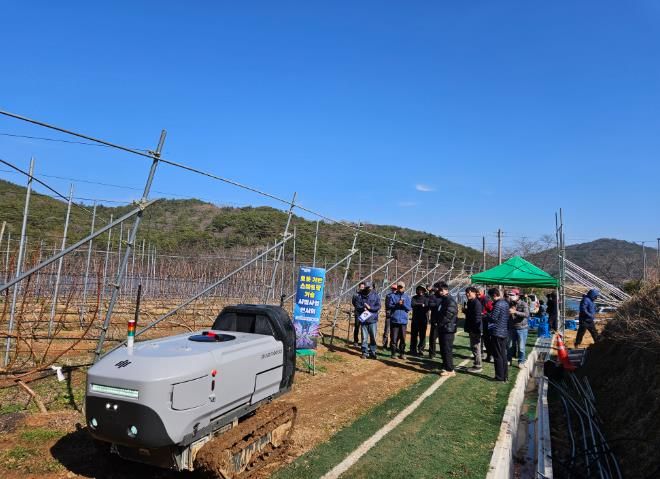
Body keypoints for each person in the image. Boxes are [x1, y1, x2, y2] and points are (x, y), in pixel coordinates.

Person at [428, 281, 458, 377]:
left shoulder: (450, 300)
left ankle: (450, 370)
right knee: (443, 349)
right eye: (439, 290)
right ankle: (446, 366)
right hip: (443, 328)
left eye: (442, 290)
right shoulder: (444, 300)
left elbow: (449, 315)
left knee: (447, 349)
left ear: (446, 290)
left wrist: (439, 323)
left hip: (448, 329)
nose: (440, 292)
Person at [354, 280, 381, 359]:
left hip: (373, 319)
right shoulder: (360, 296)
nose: (368, 289)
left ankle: (373, 352)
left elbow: (378, 306)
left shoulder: (375, 295)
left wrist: (370, 308)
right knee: (364, 337)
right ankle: (364, 352)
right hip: (364, 320)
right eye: (366, 288)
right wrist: (363, 308)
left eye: (369, 288)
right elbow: (357, 306)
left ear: (371, 288)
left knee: (373, 337)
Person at [488, 288, 509, 382]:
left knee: (497, 355)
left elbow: (493, 318)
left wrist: (486, 316)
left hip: (497, 332)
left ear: (494, 295)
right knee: (503, 354)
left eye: (490, 296)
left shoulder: (497, 304)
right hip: (504, 331)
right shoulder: (505, 303)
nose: (490, 299)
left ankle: (499, 376)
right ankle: (505, 375)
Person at [387, 281, 412, 359]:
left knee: (403, 339)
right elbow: (389, 306)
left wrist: (403, 304)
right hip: (394, 320)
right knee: (394, 338)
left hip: (403, 321)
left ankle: (402, 353)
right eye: (399, 287)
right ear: (397, 287)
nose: (400, 288)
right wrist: (397, 304)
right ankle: (393, 353)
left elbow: (409, 308)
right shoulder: (392, 296)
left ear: (404, 288)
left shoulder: (407, 297)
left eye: (401, 287)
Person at [507, 289, 530, 367]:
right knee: (509, 345)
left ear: (517, 295)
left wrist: (515, 312)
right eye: (509, 295)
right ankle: (508, 360)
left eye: (512, 295)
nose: (510, 296)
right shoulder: (509, 303)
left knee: (521, 347)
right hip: (511, 327)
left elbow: (526, 314)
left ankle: (521, 361)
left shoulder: (523, 304)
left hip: (522, 328)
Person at [463, 286, 483, 373]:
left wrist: (476, 329)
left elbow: (477, 317)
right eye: (466, 293)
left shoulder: (476, 303)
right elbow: (471, 314)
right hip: (471, 328)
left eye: (469, 292)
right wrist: (465, 311)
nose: (467, 294)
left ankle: (478, 366)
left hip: (475, 328)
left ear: (474, 293)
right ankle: (476, 364)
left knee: (476, 347)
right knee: (473, 347)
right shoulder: (470, 302)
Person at [409, 285, 429, 356]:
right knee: (414, 335)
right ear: (417, 290)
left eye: (422, 290)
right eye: (419, 289)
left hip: (423, 320)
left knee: (422, 335)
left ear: (424, 291)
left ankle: (421, 349)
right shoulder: (414, 298)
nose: (420, 291)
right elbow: (412, 304)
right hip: (415, 319)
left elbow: (427, 306)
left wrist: (420, 305)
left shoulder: (426, 298)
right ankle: (413, 349)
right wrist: (421, 304)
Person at [478, 287, 494, 362]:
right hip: (480, 322)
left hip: (486, 322)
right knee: (482, 339)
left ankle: (490, 355)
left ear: (483, 292)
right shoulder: (478, 299)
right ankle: (483, 354)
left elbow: (492, 310)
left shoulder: (486, 299)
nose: (477, 293)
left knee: (487, 340)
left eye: (479, 292)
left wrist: (484, 313)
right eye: (476, 292)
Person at [382, 283, 397, 349]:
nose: (394, 290)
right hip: (389, 315)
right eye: (393, 289)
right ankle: (384, 345)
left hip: (395, 316)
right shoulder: (388, 296)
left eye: (395, 289)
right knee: (386, 331)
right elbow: (388, 305)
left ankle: (392, 345)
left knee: (393, 332)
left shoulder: (398, 296)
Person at [351, 282, 365, 347]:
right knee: (357, 327)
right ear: (359, 287)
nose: (362, 288)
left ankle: (363, 342)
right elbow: (353, 302)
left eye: (363, 287)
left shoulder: (366, 295)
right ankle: (355, 341)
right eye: (361, 287)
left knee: (363, 328)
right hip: (358, 313)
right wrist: (357, 307)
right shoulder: (355, 295)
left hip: (364, 313)